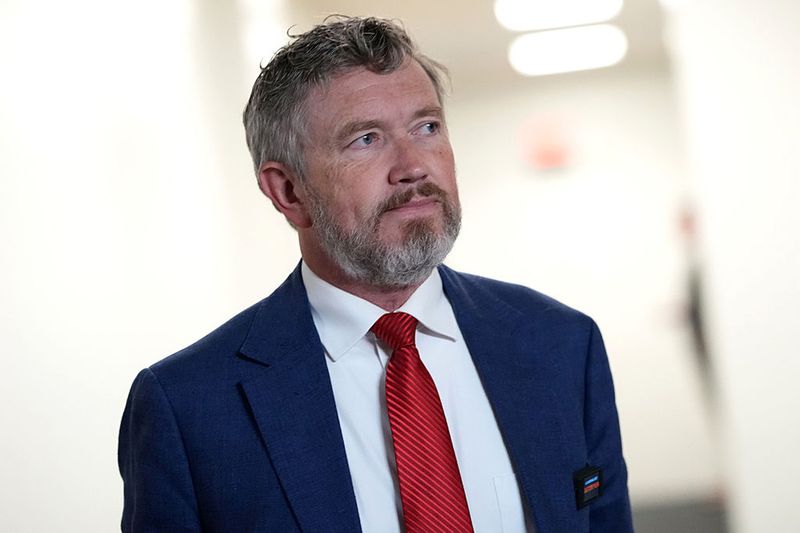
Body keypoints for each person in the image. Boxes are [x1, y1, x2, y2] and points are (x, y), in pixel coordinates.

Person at [118, 16, 632, 533]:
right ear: (288, 192)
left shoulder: (561, 343)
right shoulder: (187, 407)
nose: (414, 166)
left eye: (427, 127)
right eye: (366, 139)